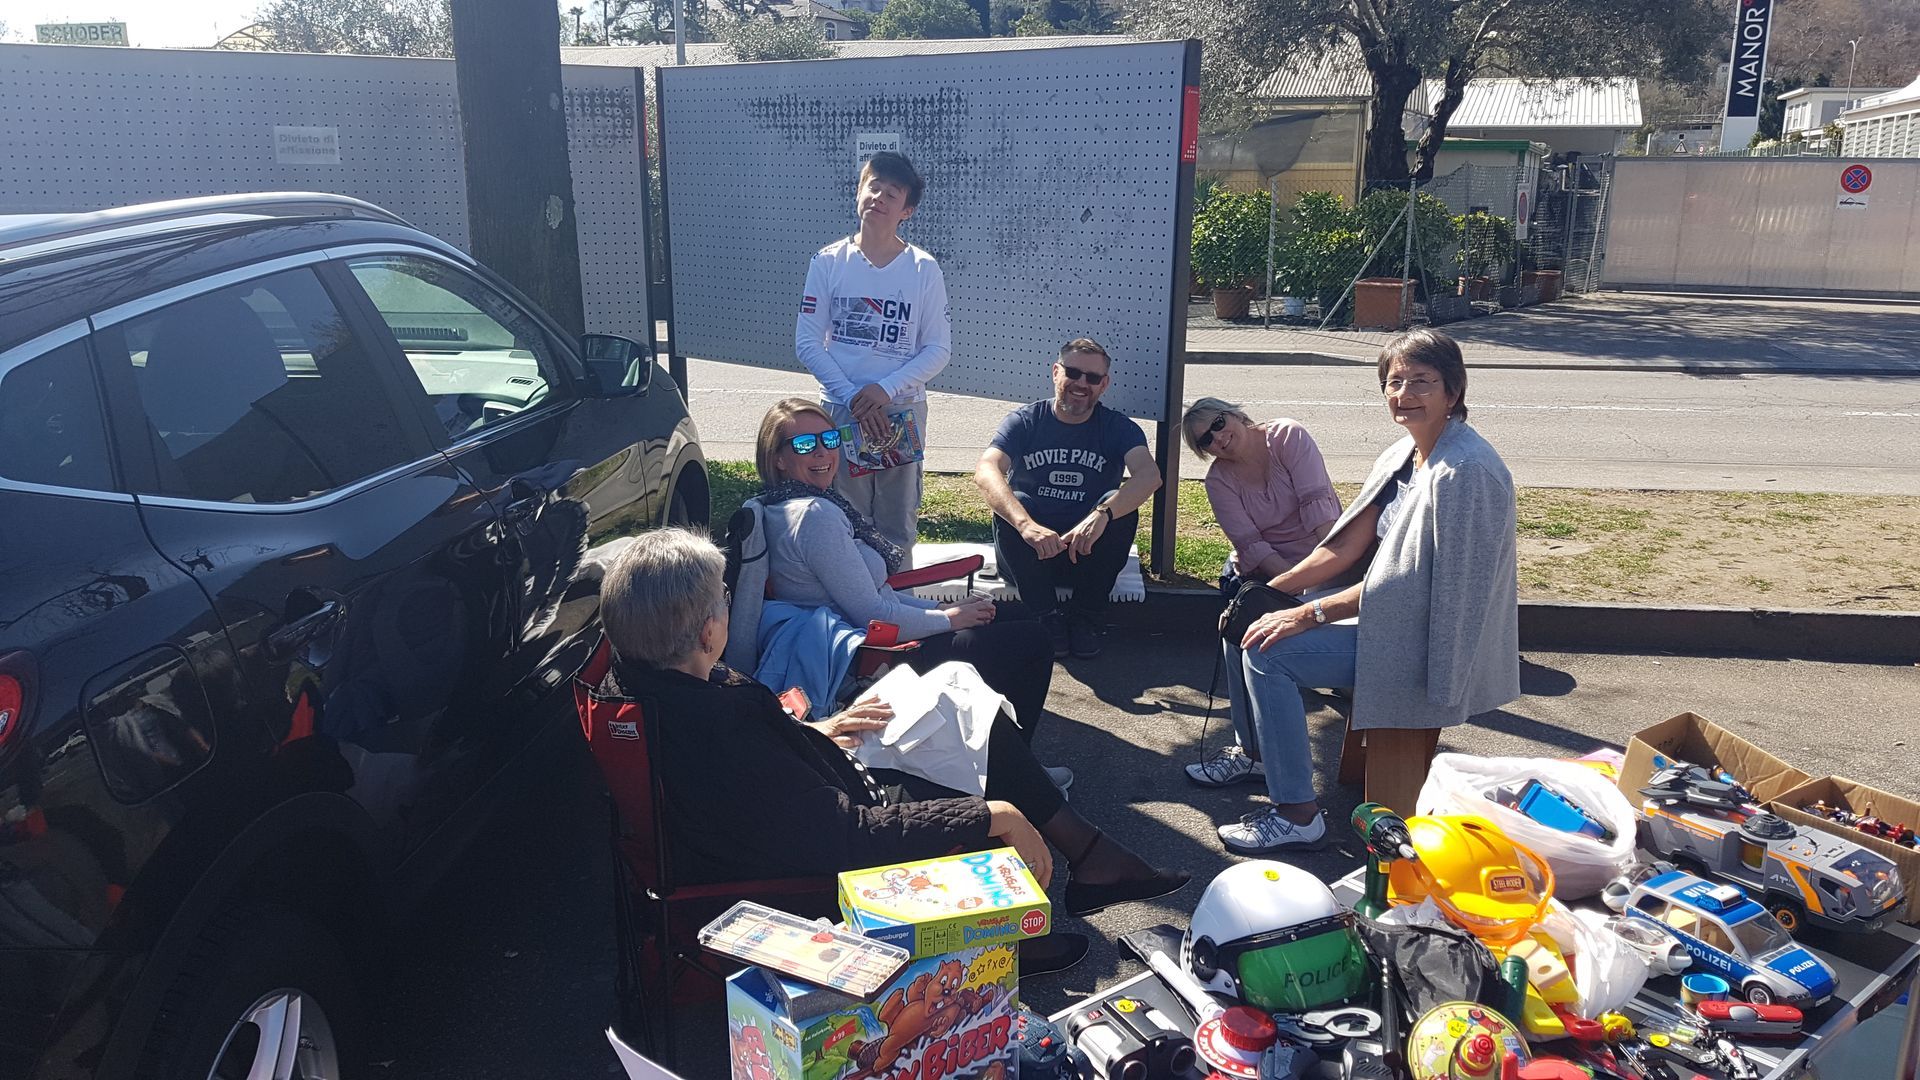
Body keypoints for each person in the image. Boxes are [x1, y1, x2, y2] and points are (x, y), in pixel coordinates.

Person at [594, 528, 1189, 963]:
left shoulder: (647, 689)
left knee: (961, 709)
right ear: (707, 631)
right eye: (723, 599)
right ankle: (1013, 933)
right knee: (979, 757)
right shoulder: (721, 727)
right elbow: (847, 835)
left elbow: (761, 780)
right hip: (817, 858)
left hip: (802, 802)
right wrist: (995, 816)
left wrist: (814, 731)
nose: (729, 606)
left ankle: (1089, 860)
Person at [1213, 328, 1520, 853]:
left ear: (1453, 390)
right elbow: (1344, 546)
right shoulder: (1406, 453)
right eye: (1394, 382)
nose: (1405, 394)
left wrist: (1307, 615)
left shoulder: (1464, 472)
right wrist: (1265, 596)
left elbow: (1421, 585)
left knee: (1268, 654)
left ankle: (1297, 814)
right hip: (1387, 619)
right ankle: (1257, 755)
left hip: (1422, 643)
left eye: (1422, 381)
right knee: (1249, 625)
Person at [755, 398, 1060, 760]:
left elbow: (875, 593)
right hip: (864, 658)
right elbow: (871, 614)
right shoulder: (815, 516)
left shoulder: (783, 503)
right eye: (806, 445)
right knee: (1032, 641)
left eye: (830, 439)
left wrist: (941, 608)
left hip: (857, 636)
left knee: (1014, 615)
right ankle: (1015, 768)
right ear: (778, 458)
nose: (823, 452)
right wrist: (949, 619)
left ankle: (1001, 758)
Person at [794, 151, 951, 556]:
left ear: (907, 210)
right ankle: (854, 592)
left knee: (897, 521)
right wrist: (854, 397)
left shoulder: (923, 268)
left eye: (892, 194)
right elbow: (807, 342)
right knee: (845, 517)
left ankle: (898, 594)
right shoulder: (828, 262)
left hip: (901, 409)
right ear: (858, 192)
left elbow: (938, 349)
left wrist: (885, 390)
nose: (878, 198)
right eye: (873, 187)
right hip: (842, 407)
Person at [1181, 399, 1343, 789]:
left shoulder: (1287, 435)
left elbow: (1321, 512)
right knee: (1240, 632)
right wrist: (1287, 592)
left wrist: (1321, 582)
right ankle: (1252, 751)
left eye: (1218, 423)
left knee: (1284, 636)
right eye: (1205, 440)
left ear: (1237, 414)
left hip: (1327, 555)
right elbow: (1252, 546)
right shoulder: (1218, 481)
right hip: (1270, 572)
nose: (1218, 437)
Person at [974, 340, 1161, 659]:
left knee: (1118, 506)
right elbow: (986, 469)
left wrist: (1102, 514)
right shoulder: (1026, 420)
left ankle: (1086, 617)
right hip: (1029, 557)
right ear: (1056, 372)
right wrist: (1026, 525)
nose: (1081, 384)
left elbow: (1149, 475)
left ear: (1104, 384)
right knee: (1015, 502)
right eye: (1073, 373)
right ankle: (1045, 617)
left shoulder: (1117, 427)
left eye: (1092, 378)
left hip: (1086, 554)